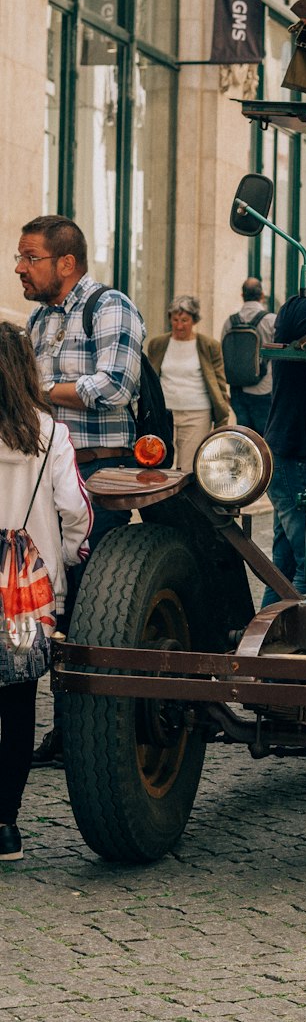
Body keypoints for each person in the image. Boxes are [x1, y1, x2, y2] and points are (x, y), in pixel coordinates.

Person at [18, 215, 144, 763]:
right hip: (43, 476)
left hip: (98, 475)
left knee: (89, 603)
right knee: (48, 598)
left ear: (65, 263)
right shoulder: (36, 320)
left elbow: (116, 385)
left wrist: (41, 392)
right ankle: (66, 729)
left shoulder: (109, 306)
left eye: (30, 258)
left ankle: (89, 732)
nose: (20, 268)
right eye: (19, 258)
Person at [0, 324, 92, 859]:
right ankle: (5, 825)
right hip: (27, 595)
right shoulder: (50, 433)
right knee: (16, 709)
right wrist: (69, 557)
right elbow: (75, 509)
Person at [261, 290, 306, 606]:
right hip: (293, 454)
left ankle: (265, 636)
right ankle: (294, 638)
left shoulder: (295, 307)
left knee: (282, 563)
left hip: (284, 451)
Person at [147, 296, 229, 473]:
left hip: (197, 413)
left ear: (194, 320)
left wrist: (222, 414)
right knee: (160, 464)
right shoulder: (158, 344)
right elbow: (150, 379)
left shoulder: (209, 346)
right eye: (175, 320)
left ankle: (183, 501)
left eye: (184, 320)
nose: (179, 325)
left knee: (188, 468)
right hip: (164, 412)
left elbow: (220, 383)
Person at [220, 277, 275, 434]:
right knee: (264, 439)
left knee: (243, 439)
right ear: (262, 295)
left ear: (242, 295)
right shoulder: (271, 320)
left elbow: (224, 354)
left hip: (237, 390)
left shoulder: (230, 322)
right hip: (263, 389)